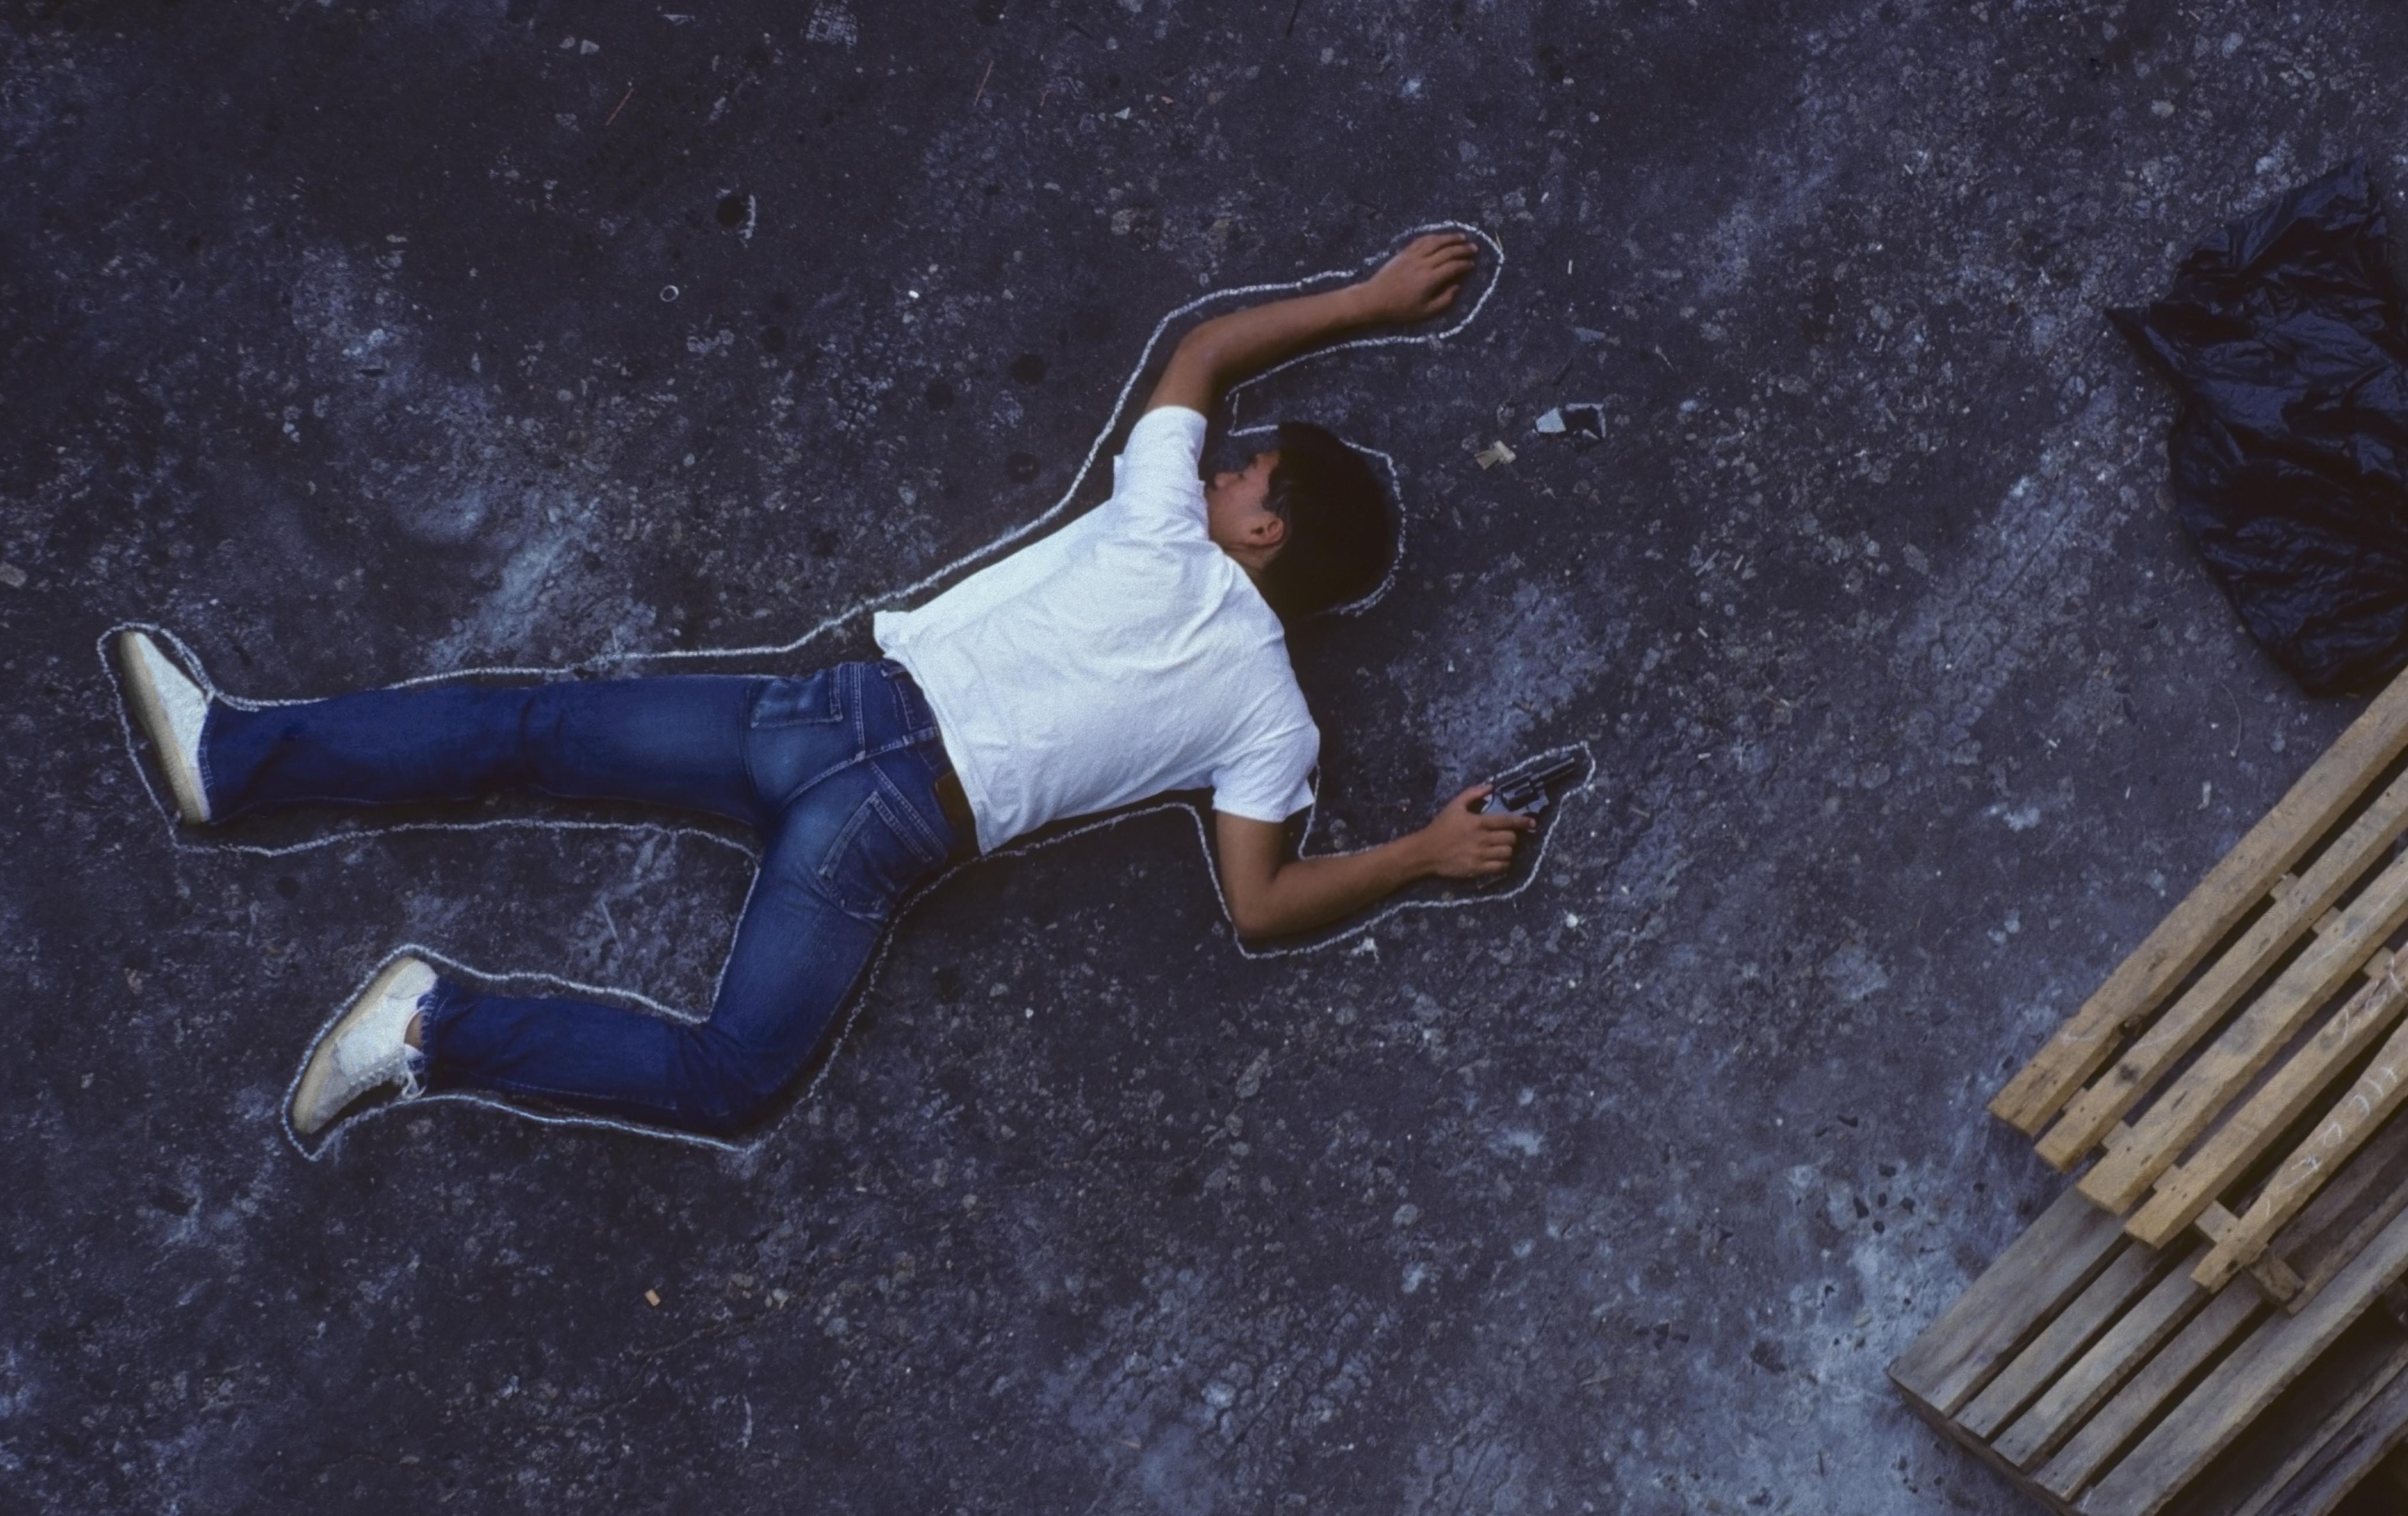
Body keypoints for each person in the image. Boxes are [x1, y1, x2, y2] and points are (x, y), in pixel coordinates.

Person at [115, 230, 1535, 1143]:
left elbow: (1204, 350)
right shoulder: (1270, 716)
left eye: (1251, 466)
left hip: (836, 715)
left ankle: (238, 758)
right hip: (890, 819)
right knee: (733, 1075)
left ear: (1262, 524)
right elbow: (1263, 904)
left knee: (538, 727)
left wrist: (1368, 299)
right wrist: (1422, 852)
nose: (1226, 458)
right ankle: (433, 1019)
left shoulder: (1170, 527)